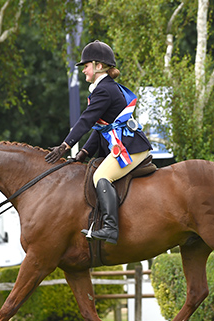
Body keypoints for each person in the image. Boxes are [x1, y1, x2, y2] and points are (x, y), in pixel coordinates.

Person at [45, 40, 152, 245]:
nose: (84, 70)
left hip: (130, 148)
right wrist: (84, 152)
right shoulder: (105, 88)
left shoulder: (104, 90)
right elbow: (102, 127)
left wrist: (65, 145)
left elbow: (86, 120)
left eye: (86, 66)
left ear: (98, 66)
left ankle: (111, 228)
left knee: (100, 176)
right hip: (124, 144)